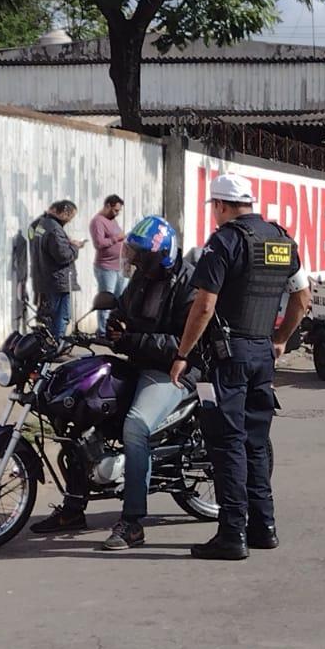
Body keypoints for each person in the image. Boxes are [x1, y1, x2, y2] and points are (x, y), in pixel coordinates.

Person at [169, 173, 312, 560]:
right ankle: (264, 528)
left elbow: (204, 306)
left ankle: (232, 534)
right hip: (263, 353)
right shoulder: (281, 239)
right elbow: (303, 298)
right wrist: (280, 339)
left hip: (229, 357)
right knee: (256, 443)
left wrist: (183, 354)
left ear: (220, 205)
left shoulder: (225, 241)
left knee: (227, 443)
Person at [31, 215, 197, 543]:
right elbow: (122, 309)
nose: (135, 262)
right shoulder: (143, 277)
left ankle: (132, 522)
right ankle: (74, 507)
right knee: (78, 409)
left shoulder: (189, 284)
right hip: (138, 361)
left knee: (135, 426)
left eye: (142, 256)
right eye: (134, 255)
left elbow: (184, 343)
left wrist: (131, 338)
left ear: (160, 256)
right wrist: (113, 325)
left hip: (172, 371)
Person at [28, 200, 86, 338]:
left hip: (45, 278)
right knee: (62, 316)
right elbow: (63, 256)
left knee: (49, 316)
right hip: (58, 281)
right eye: (71, 216)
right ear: (65, 213)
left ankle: (47, 343)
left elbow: (44, 244)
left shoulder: (41, 224)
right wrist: (75, 247)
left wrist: (67, 242)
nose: (70, 220)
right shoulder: (55, 230)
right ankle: (56, 345)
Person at [91, 195, 127, 336]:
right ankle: (102, 331)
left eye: (119, 211)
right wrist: (117, 238)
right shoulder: (98, 221)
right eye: (115, 210)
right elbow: (99, 243)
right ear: (107, 206)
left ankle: (113, 330)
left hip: (119, 267)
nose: (117, 213)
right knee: (106, 301)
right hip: (106, 268)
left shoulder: (113, 221)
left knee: (119, 301)